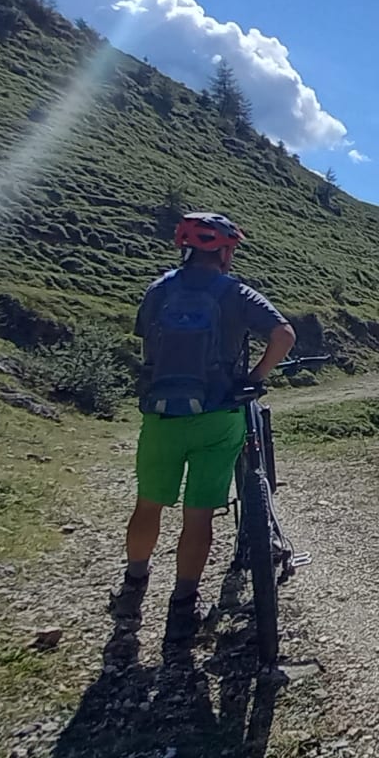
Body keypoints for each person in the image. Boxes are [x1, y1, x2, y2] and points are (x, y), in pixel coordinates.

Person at [112, 212, 295, 641]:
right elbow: (284, 335)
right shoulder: (236, 292)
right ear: (225, 252)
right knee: (198, 517)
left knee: (148, 505)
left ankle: (132, 590)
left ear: (186, 249)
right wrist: (254, 377)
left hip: (161, 416)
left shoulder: (158, 290)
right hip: (217, 416)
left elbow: (148, 344)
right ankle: (182, 607)